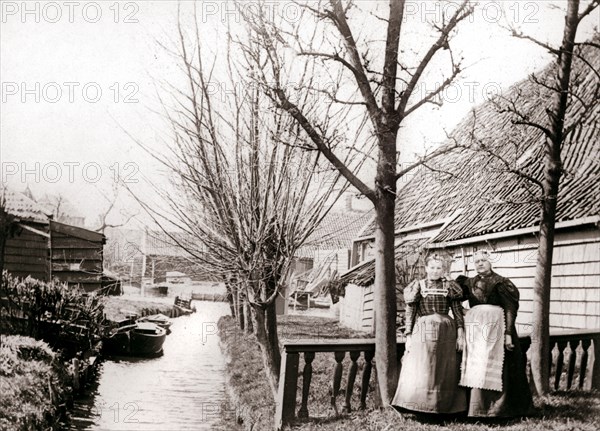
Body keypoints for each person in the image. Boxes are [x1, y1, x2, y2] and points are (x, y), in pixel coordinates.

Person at [456, 250, 533, 418]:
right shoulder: (469, 283)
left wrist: (508, 334)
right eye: (477, 262)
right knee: (479, 364)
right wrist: (465, 313)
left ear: (491, 262)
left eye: (483, 260)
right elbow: (454, 299)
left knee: (502, 367)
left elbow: (510, 309)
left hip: (499, 330)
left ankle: (501, 410)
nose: (480, 264)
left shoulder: (501, 283)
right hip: (477, 332)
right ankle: (477, 409)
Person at [391, 254, 467, 414]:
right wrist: (409, 335)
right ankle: (419, 405)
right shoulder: (418, 285)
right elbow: (410, 312)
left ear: (443, 269)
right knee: (424, 364)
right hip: (424, 330)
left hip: (446, 330)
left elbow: (457, 310)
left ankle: (445, 405)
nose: (435, 271)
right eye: (432, 267)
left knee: (444, 366)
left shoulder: (449, 286)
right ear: (426, 268)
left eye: (439, 268)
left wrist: (460, 332)